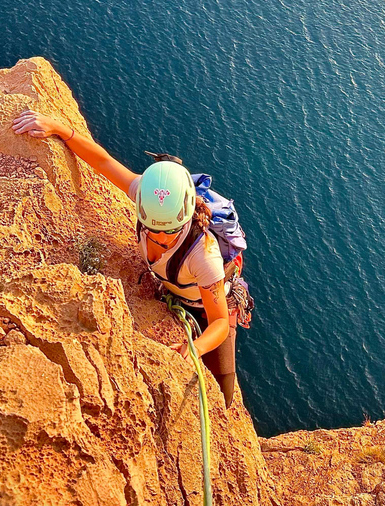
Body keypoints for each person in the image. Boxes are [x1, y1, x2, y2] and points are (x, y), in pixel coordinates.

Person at [12, 111, 238, 407]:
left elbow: (219, 321)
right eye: (153, 229)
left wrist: (194, 348)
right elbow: (104, 163)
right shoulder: (148, 201)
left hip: (208, 303)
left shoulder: (204, 255)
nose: (161, 237)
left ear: (184, 220)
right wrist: (61, 129)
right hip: (175, 288)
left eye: (170, 231)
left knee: (224, 391)